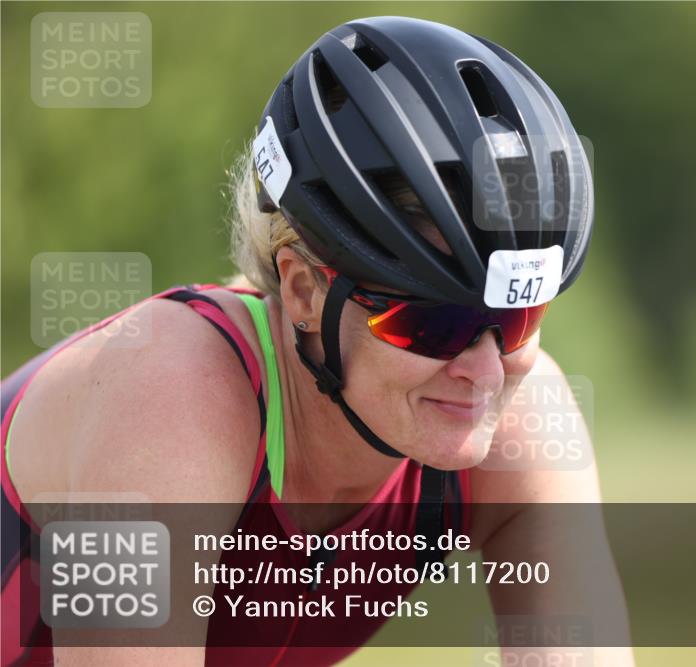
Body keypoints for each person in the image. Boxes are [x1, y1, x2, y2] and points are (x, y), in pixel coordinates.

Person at [2, 16, 633, 667]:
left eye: (515, 320)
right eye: (432, 324)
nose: (483, 371)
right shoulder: (172, 392)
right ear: (303, 290)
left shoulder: (520, 428)